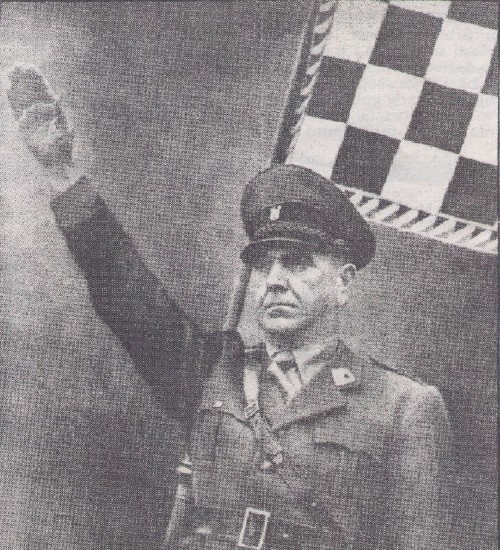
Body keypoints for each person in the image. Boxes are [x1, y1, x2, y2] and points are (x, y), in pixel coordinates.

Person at [5, 68, 452, 550]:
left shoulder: (404, 407)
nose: (274, 280)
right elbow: (125, 293)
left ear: (343, 282)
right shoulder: (213, 370)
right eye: (262, 263)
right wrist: (61, 172)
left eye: (297, 262)